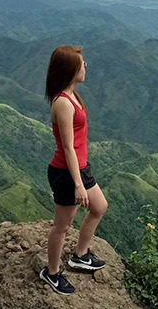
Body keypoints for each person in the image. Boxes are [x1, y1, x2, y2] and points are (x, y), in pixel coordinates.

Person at [41, 45, 108, 295]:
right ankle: (52, 272)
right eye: (81, 63)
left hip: (80, 167)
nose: (85, 66)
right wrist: (78, 183)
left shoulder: (73, 96)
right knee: (62, 225)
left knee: (99, 206)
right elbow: (67, 148)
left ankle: (80, 255)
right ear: (70, 69)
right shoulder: (63, 103)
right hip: (66, 171)